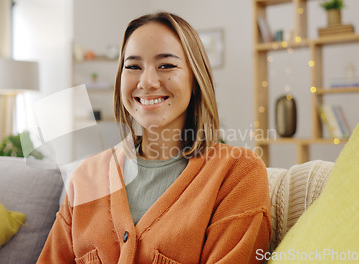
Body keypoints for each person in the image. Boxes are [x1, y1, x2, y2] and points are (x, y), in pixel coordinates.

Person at [37, 12, 271, 264]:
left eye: (166, 65)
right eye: (133, 67)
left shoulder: (237, 173)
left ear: (195, 79)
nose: (147, 82)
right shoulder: (85, 177)